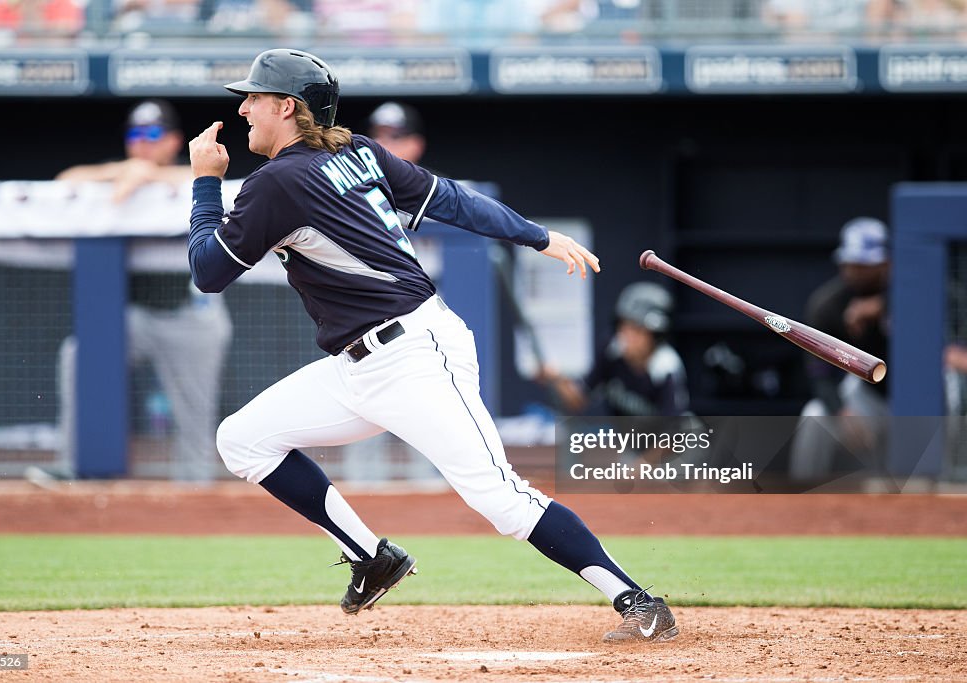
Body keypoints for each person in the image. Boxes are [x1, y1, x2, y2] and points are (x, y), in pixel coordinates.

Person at [186, 48, 678, 642]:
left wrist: (205, 184)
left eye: (254, 98)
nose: (243, 109)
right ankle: (373, 558)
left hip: (414, 355)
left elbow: (207, 271)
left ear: (287, 108)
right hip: (358, 366)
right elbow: (455, 200)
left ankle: (638, 602)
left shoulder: (280, 181)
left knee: (501, 499)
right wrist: (536, 235)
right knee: (242, 438)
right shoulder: (356, 151)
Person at [34, 100, 232, 485]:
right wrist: (125, 170)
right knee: (78, 353)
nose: (142, 143)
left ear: (174, 140)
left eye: (153, 134)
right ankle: (74, 464)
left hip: (191, 315)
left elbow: (218, 189)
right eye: (135, 135)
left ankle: (196, 493)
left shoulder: (193, 176)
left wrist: (148, 176)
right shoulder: (118, 176)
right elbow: (62, 183)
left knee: (194, 412)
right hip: (135, 316)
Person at [789, 217, 890, 481]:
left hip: (924, 401)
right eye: (849, 264)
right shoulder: (828, 306)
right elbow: (818, 373)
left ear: (885, 263)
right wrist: (842, 412)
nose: (853, 271)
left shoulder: (912, 292)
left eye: (863, 265)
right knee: (815, 415)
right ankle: (801, 502)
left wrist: (886, 307)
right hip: (872, 396)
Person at [539, 281, 689, 416]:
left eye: (637, 330)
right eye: (624, 326)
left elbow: (672, 436)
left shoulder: (665, 366)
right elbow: (578, 400)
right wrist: (556, 378)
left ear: (656, 335)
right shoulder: (612, 350)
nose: (627, 336)